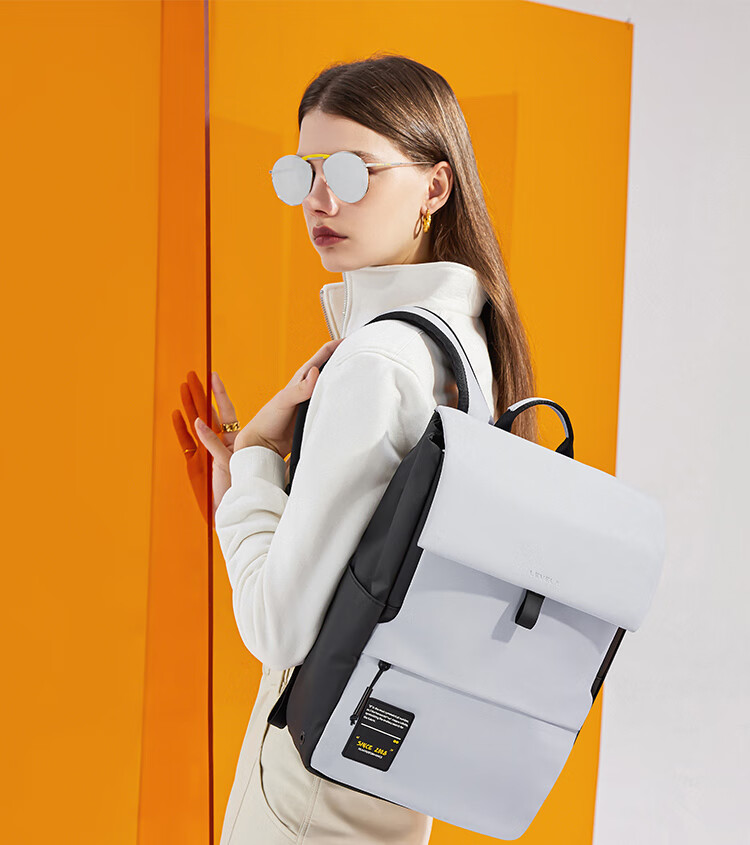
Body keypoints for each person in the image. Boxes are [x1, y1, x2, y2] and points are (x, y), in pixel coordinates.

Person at [193, 52, 540, 845]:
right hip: (391, 770)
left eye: (353, 171)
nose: (321, 199)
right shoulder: (466, 344)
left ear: (435, 187)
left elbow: (278, 627)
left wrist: (252, 461)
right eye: (304, 172)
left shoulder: (376, 363)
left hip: (307, 795)